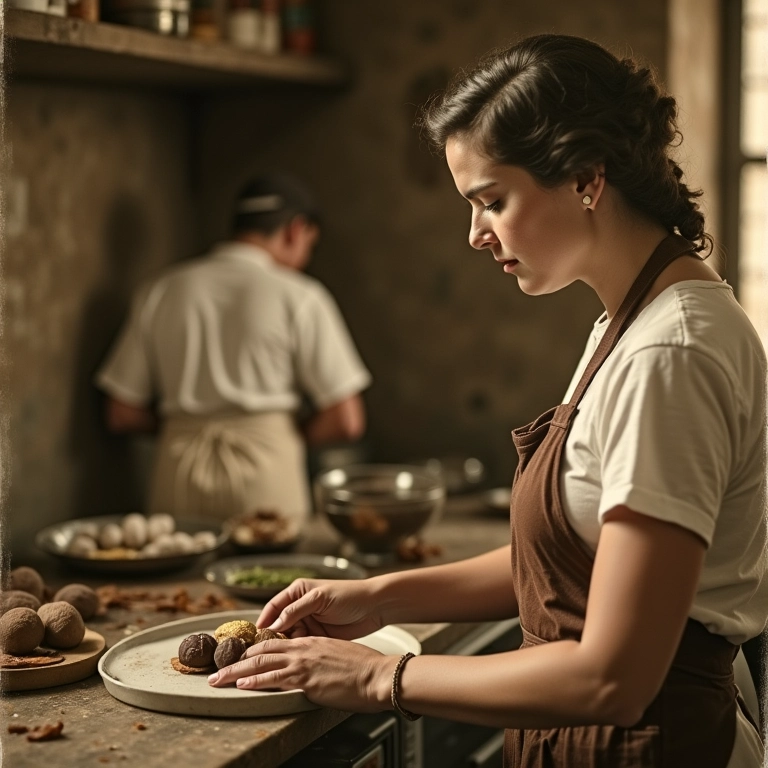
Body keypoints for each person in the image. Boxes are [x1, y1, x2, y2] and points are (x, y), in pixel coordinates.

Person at [207, 35, 767, 767]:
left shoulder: (670, 352)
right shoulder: (633, 322)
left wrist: (382, 674)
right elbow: (577, 562)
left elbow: (614, 679)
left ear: (586, 178)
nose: (475, 235)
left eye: (492, 201)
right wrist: (376, 598)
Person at [96, 172, 371, 524]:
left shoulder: (161, 291)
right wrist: (279, 433)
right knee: (270, 577)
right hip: (268, 480)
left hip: (177, 479)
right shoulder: (300, 296)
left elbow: (121, 412)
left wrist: (184, 426)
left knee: (174, 575)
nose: (305, 256)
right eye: (309, 245)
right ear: (295, 230)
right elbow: (346, 421)